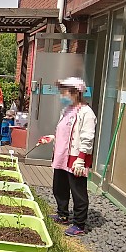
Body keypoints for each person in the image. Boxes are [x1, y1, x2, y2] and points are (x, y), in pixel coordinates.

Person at [39, 77, 96, 237]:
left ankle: (79, 224)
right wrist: (52, 137)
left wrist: (81, 159)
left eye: (64, 91)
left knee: (78, 191)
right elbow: (63, 132)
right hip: (62, 156)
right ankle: (62, 214)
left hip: (76, 158)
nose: (61, 95)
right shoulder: (67, 110)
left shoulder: (86, 113)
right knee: (60, 187)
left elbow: (87, 137)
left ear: (75, 92)